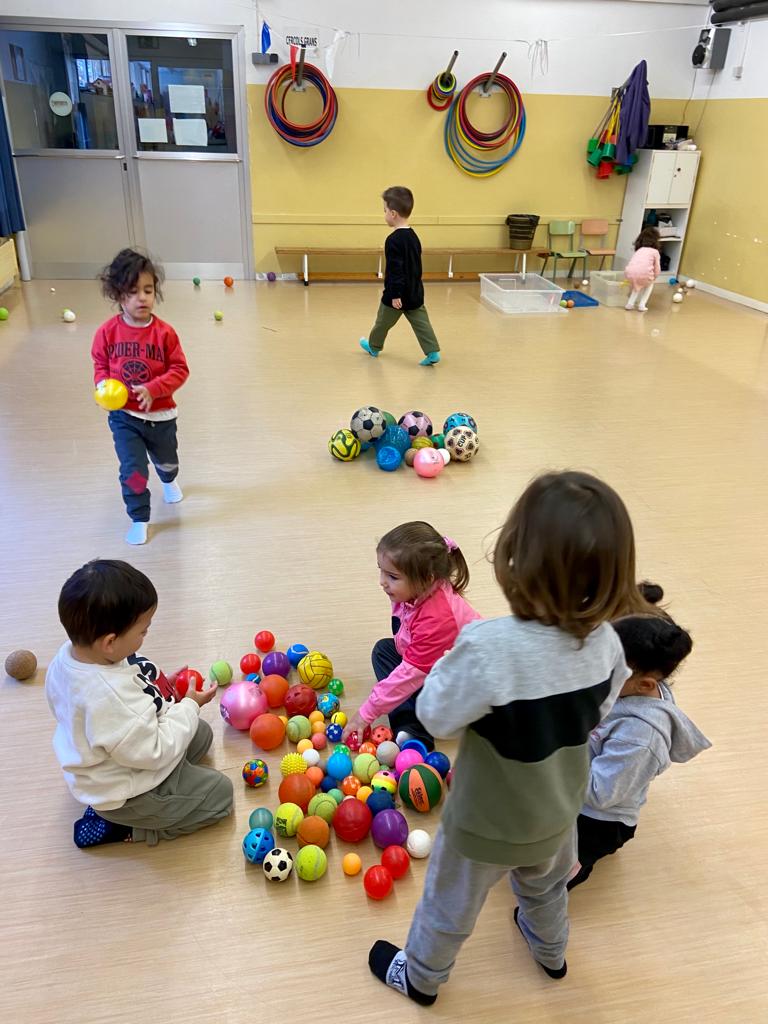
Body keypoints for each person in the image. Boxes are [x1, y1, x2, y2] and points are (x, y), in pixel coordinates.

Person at [368, 470, 653, 1004]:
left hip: (483, 823)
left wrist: (451, 667)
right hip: (558, 815)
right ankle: (552, 955)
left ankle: (421, 979)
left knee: (448, 906)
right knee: (546, 894)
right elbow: (599, 711)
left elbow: (436, 716)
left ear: (513, 560)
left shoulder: (486, 645)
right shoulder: (610, 646)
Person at [45, 559, 234, 849]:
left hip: (122, 756)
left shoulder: (71, 657)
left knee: (201, 733)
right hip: (127, 791)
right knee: (221, 794)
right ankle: (125, 827)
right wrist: (189, 705)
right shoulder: (108, 697)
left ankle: (174, 784)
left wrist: (158, 689)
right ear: (110, 642)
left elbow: (123, 695)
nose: (145, 636)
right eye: (142, 631)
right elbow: (153, 750)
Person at [568, 611, 711, 890]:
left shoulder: (640, 737)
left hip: (598, 820)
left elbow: (600, 794)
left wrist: (554, 759)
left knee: (552, 873)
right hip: (576, 783)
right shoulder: (622, 687)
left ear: (644, 684)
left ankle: (573, 869)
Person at [342, 523, 480, 751]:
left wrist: (364, 715)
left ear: (426, 579)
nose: (382, 582)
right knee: (383, 650)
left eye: (392, 576)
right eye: (381, 570)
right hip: (436, 664)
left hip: (461, 691)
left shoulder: (438, 620)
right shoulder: (416, 590)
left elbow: (407, 676)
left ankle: (417, 736)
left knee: (404, 681)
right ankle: (411, 716)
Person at [92, 249, 189, 545]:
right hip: (124, 417)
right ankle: (139, 517)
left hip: (161, 417)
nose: (142, 298)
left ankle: (169, 480)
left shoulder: (165, 334)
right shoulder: (107, 333)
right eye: (133, 292)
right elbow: (100, 364)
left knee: (167, 461)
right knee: (133, 470)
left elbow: (180, 369)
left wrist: (154, 389)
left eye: (148, 290)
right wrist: (103, 387)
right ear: (118, 295)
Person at [359, 186, 441, 366]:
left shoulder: (393, 240)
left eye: (385, 211)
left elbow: (395, 270)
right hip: (414, 292)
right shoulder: (414, 237)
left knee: (382, 322)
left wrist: (395, 294)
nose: (384, 214)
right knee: (422, 324)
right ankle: (433, 352)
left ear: (393, 214)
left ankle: (374, 347)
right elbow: (415, 267)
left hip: (396, 296)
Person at [624, 226, 661, 312]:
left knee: (636, 285)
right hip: (644, 275)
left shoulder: (639, 250)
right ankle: (642, 305)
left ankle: (630, 304)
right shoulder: (655, 252)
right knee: (649, 285)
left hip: (629, 273)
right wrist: (654, 277)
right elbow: (657, 268)